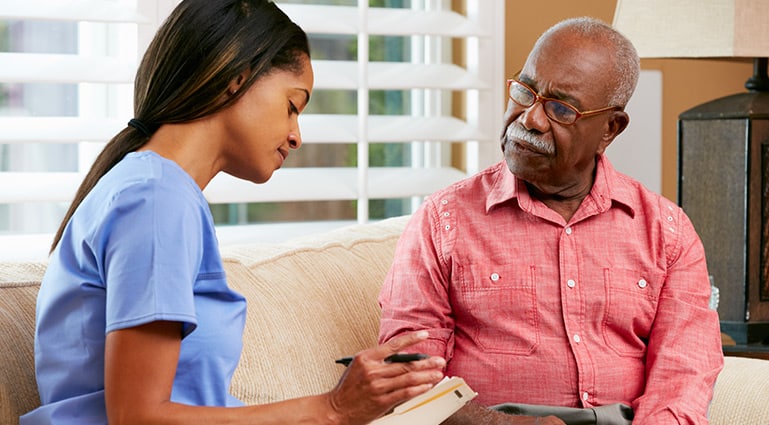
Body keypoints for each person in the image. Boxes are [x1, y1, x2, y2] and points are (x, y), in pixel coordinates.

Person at [21, 1, 445, 424]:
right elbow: (137, 417)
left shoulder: (155, 191)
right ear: (234, 79)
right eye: (293, 106)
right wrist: (332, 410)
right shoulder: (155, 200)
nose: (297, 136)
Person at [377, 16, 724, 425]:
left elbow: (683, 379)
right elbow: (409, 379)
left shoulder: (667, 232)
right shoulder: (443, 220)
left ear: (610, 128)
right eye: (525, 92)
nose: (531, 120)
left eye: (561, 109)